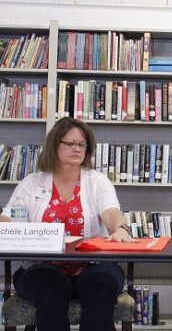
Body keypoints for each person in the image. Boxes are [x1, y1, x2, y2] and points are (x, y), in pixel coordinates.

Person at [0, 117, 133, 331]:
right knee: (50, 293)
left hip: (93, 266)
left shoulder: (97, 181)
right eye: (70, 143)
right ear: (54, 145)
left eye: (82, 144)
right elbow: (11, 217)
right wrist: (4, 224)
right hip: (42, 267)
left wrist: (119, 228)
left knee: (100, 289)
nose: (77, 148)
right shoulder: (32, 183)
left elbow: (111, 211)